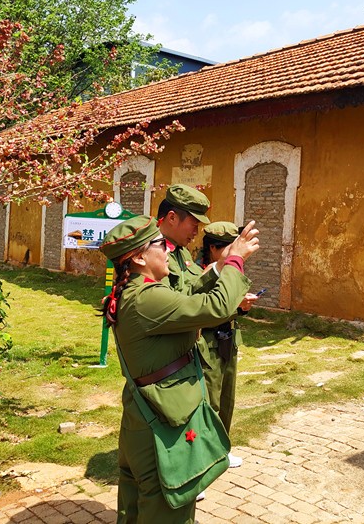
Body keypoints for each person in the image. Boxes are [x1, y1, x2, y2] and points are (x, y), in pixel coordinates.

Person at [100, 214, 259, 524]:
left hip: (142, 420)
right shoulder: (147, 297)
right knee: (168, 511)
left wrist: (220, 265)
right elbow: (215, 307)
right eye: (161, 244)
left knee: (133, 512)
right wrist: (235, 261)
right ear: (140, 257)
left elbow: (185, 297)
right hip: (162, 427)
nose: (169, 251)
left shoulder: (137, 290)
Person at [197, 222, 259, 469]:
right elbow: (203, 309)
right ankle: (202, 460)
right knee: (209, 402)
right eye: (231, 247)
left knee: (226, 399)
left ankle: (222, 449)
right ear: (213, 248)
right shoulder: (200, 273)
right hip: (207, 342)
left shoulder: (231, 270)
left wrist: (241, 307)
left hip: (228, 339)